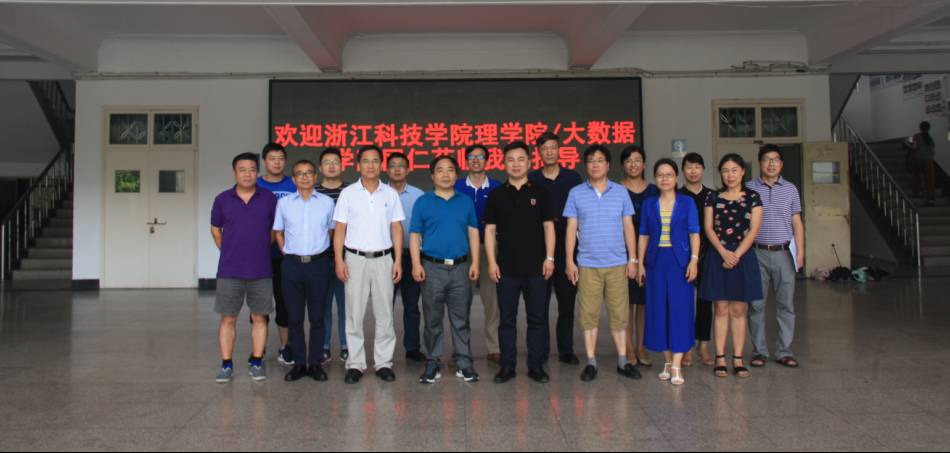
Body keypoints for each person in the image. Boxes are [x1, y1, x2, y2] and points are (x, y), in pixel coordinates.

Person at [564, 145, 642, 382]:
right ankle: (591, 362)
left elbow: (628, 226)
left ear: (608, 165)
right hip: (587, 264)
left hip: (617, 263)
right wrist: (569, 261)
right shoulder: (576, 193)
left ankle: (622, 360)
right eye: (591, 161)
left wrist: (633, 259)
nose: (595, 165)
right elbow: (571, 228)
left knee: (619, 314)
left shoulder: (620, 192)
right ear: (585, 165)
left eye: (600, 160)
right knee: (588, 315)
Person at [485, 142, 557, 384]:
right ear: (503, 163)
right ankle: (507, 367)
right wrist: (492, 262)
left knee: (537, 319)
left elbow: (549, 227)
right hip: (506, 269)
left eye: (520, 159)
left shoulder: (541, 192)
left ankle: (536, 366)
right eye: (510, 160)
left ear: (529, 162)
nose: (515, 164)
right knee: (507, 320)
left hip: (537, 268)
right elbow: (490, 230)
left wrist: (550, 258)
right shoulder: (496, 195)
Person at [333, 145, 405, 384]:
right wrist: (339, 260)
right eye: (366, 161)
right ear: (358, 165)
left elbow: (396, 227)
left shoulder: (390, 194)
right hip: (355, 259)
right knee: (354, 313)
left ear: (381, 165)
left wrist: (397, 260)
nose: (371, 165)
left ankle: (383, 363)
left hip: (384, 259)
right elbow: (340, 229)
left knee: (385, 313)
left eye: (375, 161)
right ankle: (355, 364)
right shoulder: (348, 194)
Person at [410, 156, 481, 384]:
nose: (445, 174)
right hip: (432, 267)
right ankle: (433, 361)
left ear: (456, 175)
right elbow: (414, 235)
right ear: (432, 176)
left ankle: (463, 361)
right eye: (440, 170)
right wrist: (416, 264)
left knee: (461, 319)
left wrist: (475, 263)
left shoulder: (465, 201)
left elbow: (473, 232)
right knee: (432, 318)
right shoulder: (423, 202)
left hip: (460, 267)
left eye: (450, 170)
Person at [210, 153, 278, 383]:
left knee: (260, 317)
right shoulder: (222, 199)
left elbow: (274, 230)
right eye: (242, 169)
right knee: (228, 318)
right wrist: (230, 250)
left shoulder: (268, 198)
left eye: (251, 169)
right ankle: (226, 364)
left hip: (261, 269)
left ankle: (256, 361)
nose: (247, 174)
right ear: (234, 172)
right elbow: (215, 230)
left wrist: (259, 248)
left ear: (257, 172)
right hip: (230, 270)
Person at [637, 159, 700, 386]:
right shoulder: (649, 203)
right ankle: (667, 360)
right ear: (655, 178)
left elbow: (694, 233)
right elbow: (644, 234)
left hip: (679, 262)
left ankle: (677, 364)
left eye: (669, 174)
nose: (665, 179)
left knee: (680, 311)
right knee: (659, 310)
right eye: (660, 175)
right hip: (656, 262)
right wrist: (640, 263)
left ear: (676, 178)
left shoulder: (687, 202)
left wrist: (694, 260)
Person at [700, 154, 764, 379]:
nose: (730, 175)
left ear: (743, 171)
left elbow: (754, 229)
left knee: (739, 310)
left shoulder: (753, 197)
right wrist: (723, 252)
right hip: (718, 255)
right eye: (725, 170)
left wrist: (736, 254)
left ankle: (737, 358)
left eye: (734, 170)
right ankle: (720, 357)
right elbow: (708, 228)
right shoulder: (713, 197)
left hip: (742, 256)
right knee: (720, 309)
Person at [273, 160, 335, 382]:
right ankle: (299, 363)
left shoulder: (327, 202)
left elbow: (333, 231)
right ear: (293, 179)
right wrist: (287, 253)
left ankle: (315, 363)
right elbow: (278, 232)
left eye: (309, 173)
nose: (305, 177)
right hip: (292, 265)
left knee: (318, 317)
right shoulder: (284, 204)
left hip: (319, 265)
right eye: (300, 174)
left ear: (315, 177)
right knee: (295, 317)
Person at [746, 144, 805, 369]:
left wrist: (801, 252)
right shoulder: (749, 188)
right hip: (756, 253)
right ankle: (759, 351)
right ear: (759, 163)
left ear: (781, 163)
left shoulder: (790, 189)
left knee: (786, 305)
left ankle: (784, 351)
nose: (771, 164)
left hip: (784, 253)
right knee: (756, 305)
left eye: (775, 159)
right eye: (766, 159)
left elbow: (796, 222)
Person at [529, 132, 583, 366]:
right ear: (539, 153)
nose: (549, 152)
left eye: (553, 147)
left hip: (567, 246)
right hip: (539, 247)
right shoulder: (532, 179)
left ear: (559, 150)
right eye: (545, 148)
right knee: (539, 302)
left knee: (567, 301)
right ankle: (541, 350)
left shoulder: (572, 178)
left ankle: (566, 349)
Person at [455, 144, 503, 364]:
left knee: (492, 300)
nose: (476, 160)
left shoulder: (497, 187)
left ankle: (494, 348)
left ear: (487, 160)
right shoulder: (456, 186)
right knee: (461, 301)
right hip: (463, 249)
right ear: (466, 161)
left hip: (490, 249)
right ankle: (461, 350)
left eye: (480, 156)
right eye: (472, 157)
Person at [256, 142, 297, 367]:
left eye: (281, 158)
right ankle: (259, 349)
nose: (277, 162)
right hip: (260, 255)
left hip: (286, 256)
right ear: (264, 161)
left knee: (285, 304)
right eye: (272, 158)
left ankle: (285, 347)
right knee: (260, 305)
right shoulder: (255, 184)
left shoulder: (293, 184)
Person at [619, 145, 660, 368]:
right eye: (628, 161)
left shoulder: (654, 191)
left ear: (644, 164)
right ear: (622, 165)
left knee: (643, 303)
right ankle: (627, 348)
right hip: (622, 252)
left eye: (637, 160)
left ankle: (641, 346)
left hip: (650, 253)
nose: (633, 164)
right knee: (625, 302)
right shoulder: (616, 190)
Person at [387, 152, 427, 363]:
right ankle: (384, 350)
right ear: (387, 170)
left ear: (408, 169)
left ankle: (412, 347)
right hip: (386, 256)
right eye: (393, 165)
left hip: (412, 256)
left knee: (411, 305)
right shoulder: (380, 193)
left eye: (401, 165)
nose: (397, 169)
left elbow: (425, 226)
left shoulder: (419, 195)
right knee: (385, 305)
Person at [678, 153, 715, 368]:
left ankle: (703, 345)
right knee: (684, 303)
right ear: (683, 170)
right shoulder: (677, 195)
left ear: (703, 169)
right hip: (682, 255)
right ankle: (686, 347)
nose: (693, 171)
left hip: (707, 255)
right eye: (689, 167)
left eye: (697, 167)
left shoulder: (712, 196)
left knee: (705, 302)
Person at [316, 148, 349, 365]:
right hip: (320, 258)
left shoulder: (351, 191)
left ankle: (347, 346)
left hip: (348, 257)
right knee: (322, 305)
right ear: (320, 168)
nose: (331, 166)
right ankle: (324, 346)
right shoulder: (313, 192)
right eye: (327, 162)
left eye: (335, 162)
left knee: (347, 305)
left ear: (342, 166)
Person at [913, 121, 938, 206]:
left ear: (920, 128)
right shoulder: (930, 138)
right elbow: (933, 150)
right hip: (929, 161)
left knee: (918, 176)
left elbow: (914, 147)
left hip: (919, 160)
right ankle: (931, 199)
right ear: (928, 128)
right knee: (930, 180)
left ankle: (918, 192)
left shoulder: (916, 136)